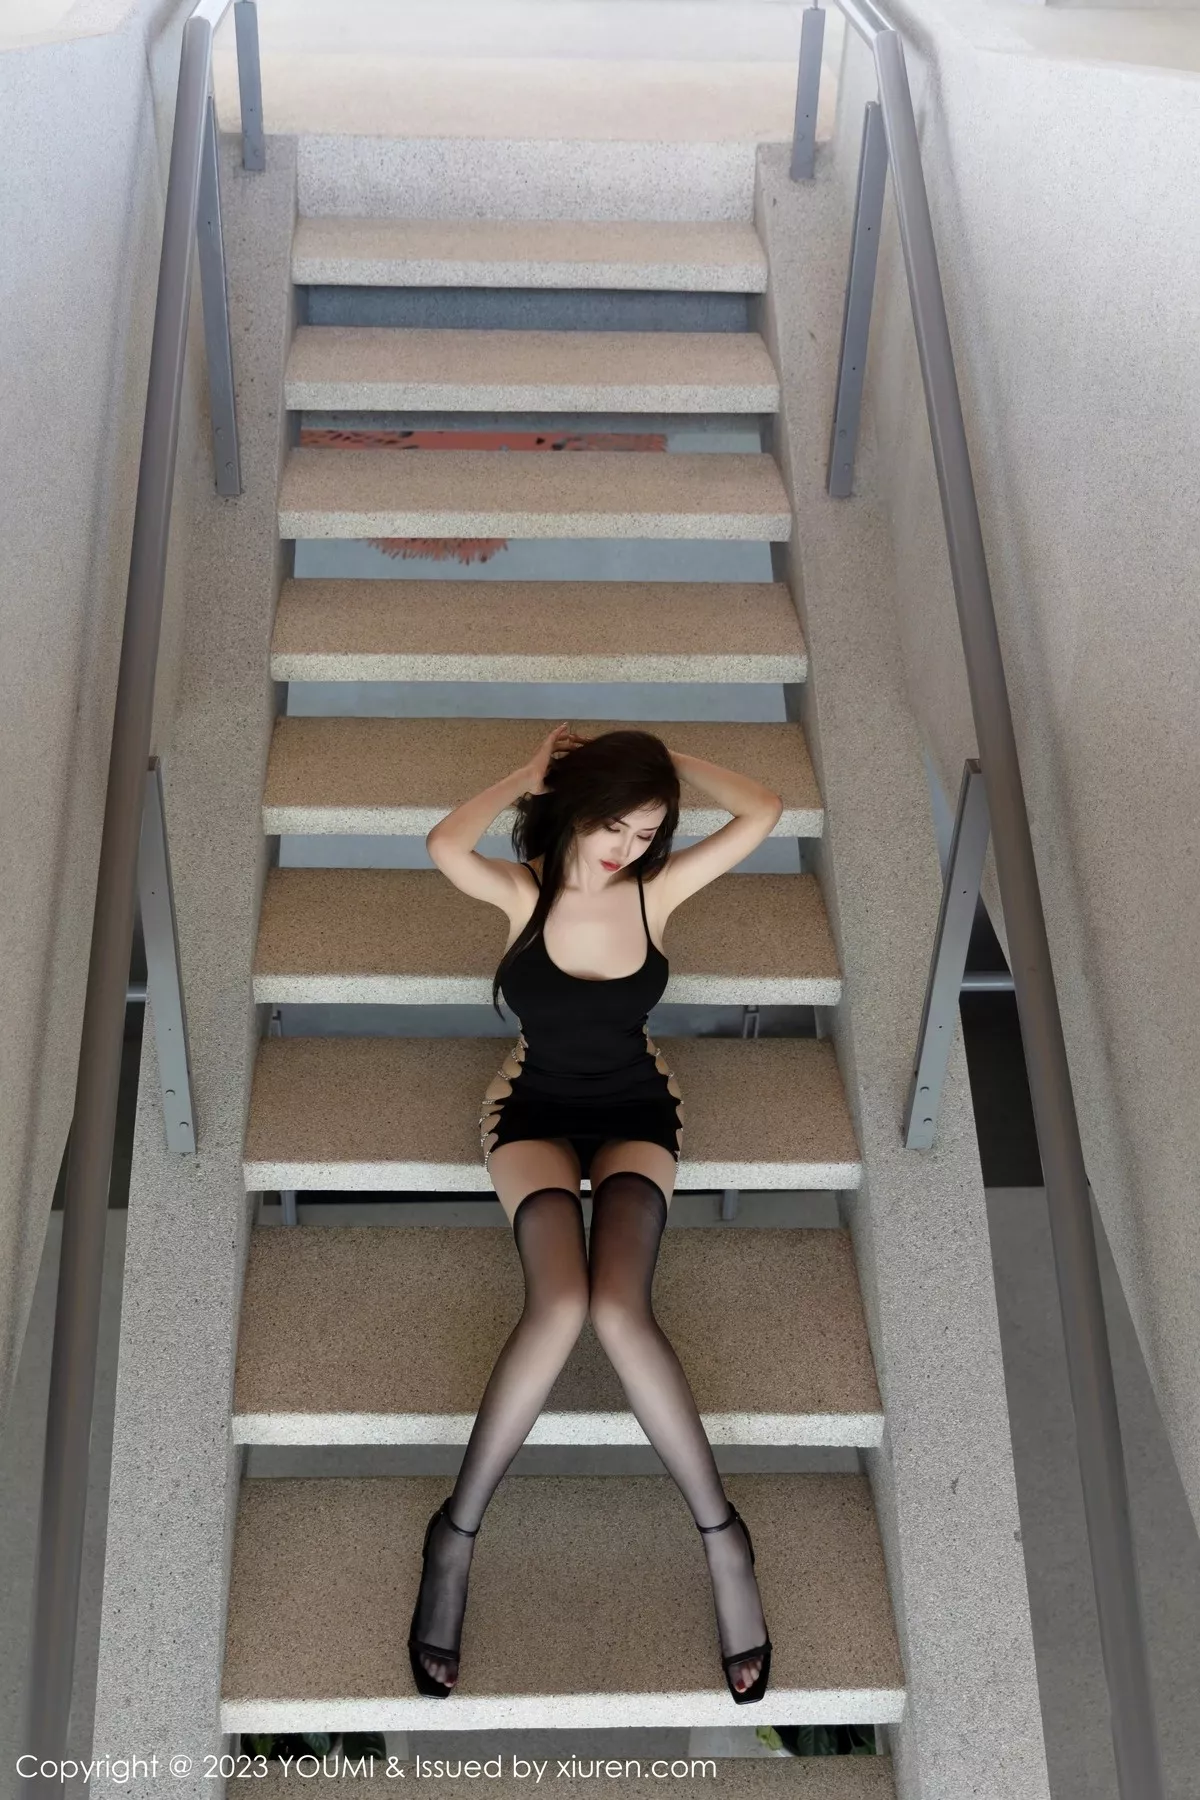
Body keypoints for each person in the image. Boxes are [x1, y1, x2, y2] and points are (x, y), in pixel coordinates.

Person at [407, 721, 784, 1704]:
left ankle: (723, 1540)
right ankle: (455, 1537)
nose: (627, 845)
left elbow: (765, 811)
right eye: (614, 823)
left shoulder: (657, 892)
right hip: (531, 1108)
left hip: (636, 1109)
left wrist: (666, 764)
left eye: (647, 829)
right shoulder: (522, 893)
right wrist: (525, 774)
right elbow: (445, 843)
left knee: (619, 1308)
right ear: (575, 808)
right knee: (560, 1303)